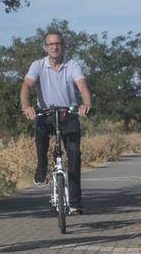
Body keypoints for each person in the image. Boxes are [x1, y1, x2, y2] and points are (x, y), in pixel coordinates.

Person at [19, 29, 92, 213]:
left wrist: (86, 103)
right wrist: (26, 106)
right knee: (41, 131)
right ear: (45, 47)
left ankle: (75, 202)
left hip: (68, 113)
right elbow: (27, 85)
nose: (54, 47)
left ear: (63, 46)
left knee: (74, 154)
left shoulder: (72, 64)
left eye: (57, 43)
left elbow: (81, 84)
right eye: (50, 44)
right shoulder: (37, 65)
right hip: (46, 112)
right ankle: (41, 169)